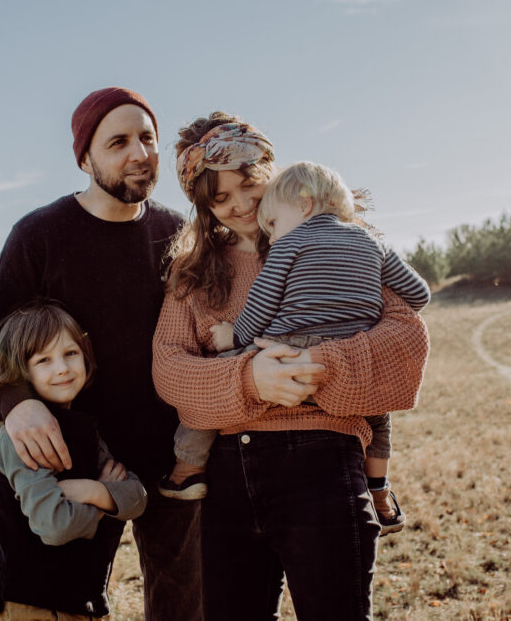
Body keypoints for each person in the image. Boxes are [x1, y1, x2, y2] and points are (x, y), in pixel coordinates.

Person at [152, 113, 430, 620]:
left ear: (271, 171)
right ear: (204, 206)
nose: (239, 205)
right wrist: (250, 378)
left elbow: (405, 338)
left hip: (323, 460)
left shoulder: (343, 241)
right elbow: (168, 368)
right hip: (227, 476)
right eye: (220, 198)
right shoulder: (193, 274)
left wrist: (312, 365)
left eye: (248, 184)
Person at [0, 87, 202, 620]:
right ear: (85, 157)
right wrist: (16, 404)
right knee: (59, 603)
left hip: (170, 455)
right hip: (76, 455)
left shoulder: (177, 234)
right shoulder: (39, 235)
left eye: (146, 138)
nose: (137, 153)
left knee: (187, 606)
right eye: (117, 141)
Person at [0, 300, 147, 620]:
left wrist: (91, 491)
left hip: (83, 601)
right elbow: (54, 525)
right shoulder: (21, 437)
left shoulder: (85, 429)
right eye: (44, 359)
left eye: (70, 353)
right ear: (22, 370)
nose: (62, 368)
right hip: (34, 606)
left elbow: (137, 498)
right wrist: (107, 505)